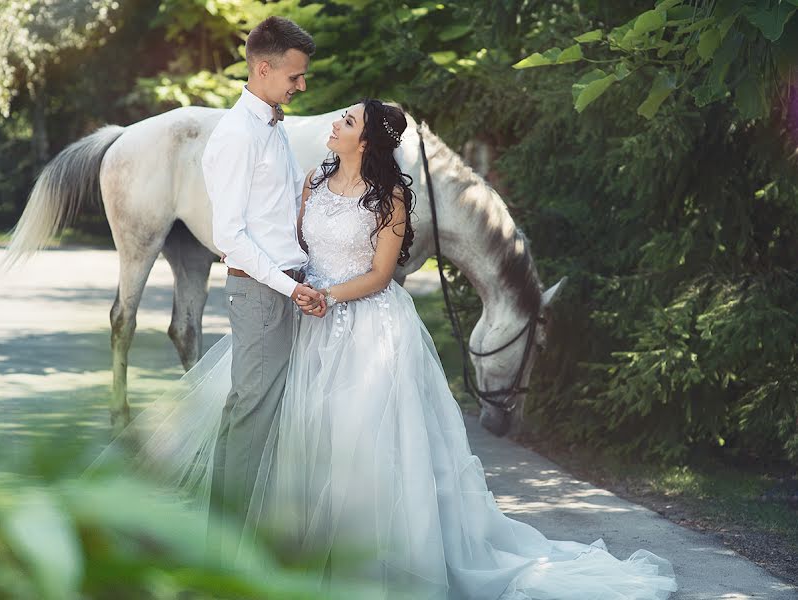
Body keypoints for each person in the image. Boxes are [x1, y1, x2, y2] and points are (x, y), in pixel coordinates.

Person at [99, 98, 678, 598]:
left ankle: (373, 559)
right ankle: (299, 548)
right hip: (314, 314)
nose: (334, 122)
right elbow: (293, 242)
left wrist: (324, 295)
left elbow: (379, 274)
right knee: (305, 432)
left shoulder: (393, 200)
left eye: (346, 120)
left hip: (364, 320)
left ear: (367, 139)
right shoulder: (313, 182)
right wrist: (279, 279)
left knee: (364, 438)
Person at [199, 16, 324, 524]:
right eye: (295, 76)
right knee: (250, 411)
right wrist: (288, 287)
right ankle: (223, 541)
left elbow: (289, 211)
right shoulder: (236, 136)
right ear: (264, 68)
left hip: (291, 283)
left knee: (273, 412)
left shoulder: (274, 126)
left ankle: (252, 530)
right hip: (260, 290)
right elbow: (229, 237)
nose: (302, 85)